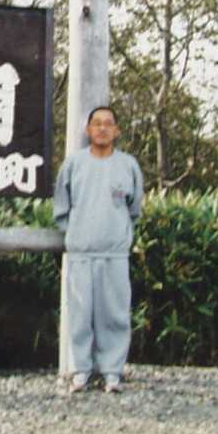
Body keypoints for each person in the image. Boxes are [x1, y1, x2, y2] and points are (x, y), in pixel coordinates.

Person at [53, 105, 143, 394]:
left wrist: (119, 234)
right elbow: (61, 207)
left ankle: (112, 372)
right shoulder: (74, 164)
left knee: (114, 314)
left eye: (108, 124)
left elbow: (134, 209)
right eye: (97, 123)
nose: (102, 128)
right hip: (81, 252)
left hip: (114, 253)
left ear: (117, 130)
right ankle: (81, 370)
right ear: (88, 129)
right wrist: (77, 233)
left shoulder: (128, 165)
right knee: (80, 314)